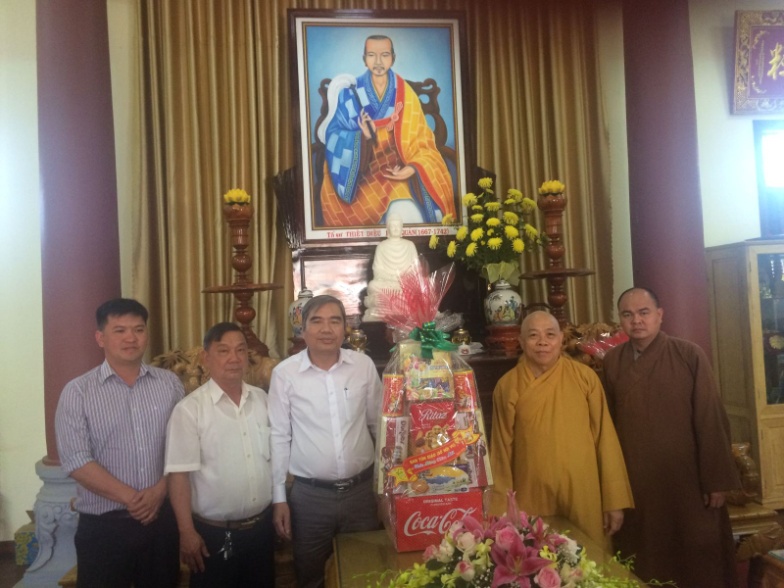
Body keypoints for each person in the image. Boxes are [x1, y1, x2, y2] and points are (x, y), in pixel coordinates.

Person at [601, 287, 740, 587]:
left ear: (660, 315)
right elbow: (606, 426)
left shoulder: (688, 354)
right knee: (644, 555)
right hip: (635, 482)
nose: (636, 320)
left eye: (644, 312)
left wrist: (715, 480)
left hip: (687, 482)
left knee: (696, 556)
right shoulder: (611, 362)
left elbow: (710, 417)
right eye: (627, 314)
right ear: (620, 320)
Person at [55, 298, 183, 587]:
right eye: (120, 330)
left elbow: (184, 448)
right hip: (104, 527)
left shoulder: (170, 384)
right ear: (100, 337)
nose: (131, 338)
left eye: (138, 329)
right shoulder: (77, 392)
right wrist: (132, 498)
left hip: (161, 521)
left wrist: (160, 490)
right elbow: (76, 460)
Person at [489, 310, 633, 551]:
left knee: (589, 567)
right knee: (539, 567)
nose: (543, 342)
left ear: (561, 340)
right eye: (533, 335)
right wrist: (501, 510)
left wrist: (613, 501)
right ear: (521, 342)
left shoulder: (585, 378)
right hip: (530, 496)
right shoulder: (507, 386)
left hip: (583, 495)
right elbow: (501, 452)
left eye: (550, 335)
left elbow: (605, 440)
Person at [269, 295, 382, 588]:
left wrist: (386, 487)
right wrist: (279, 498)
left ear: (346, 328)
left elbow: (379, 426)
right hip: (310, 498)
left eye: (335, 320)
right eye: (316, 321)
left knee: (366, 573)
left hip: (361, 494)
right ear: (302, 330)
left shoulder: (363, 366)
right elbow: (279, 437)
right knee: (310, 577)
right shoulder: (285, 374)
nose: (326, 329)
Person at [164, 322, 275, 587]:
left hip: (261, 530)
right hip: (213, 535)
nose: (234, 358)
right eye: (223, 351)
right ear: (206, 357)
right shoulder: (190, 410)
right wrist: (186, 531)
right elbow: (178, 476)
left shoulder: (263, 400)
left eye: (240, 350)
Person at [316, 34, 455, 227]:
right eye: (372, 55)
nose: (379, 61)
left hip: (395, 174)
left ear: (393, 58)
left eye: (385, 55)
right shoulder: (349, 94)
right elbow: (334, 136)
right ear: (364, 59)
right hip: (359, 179)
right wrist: (361, 137)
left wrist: (412, 168)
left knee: (409, 218)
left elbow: (423, 143)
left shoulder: (405, 93)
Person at [363, 212, 419, 321]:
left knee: (421, 286)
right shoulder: (382, 246)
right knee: (373, 285)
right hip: (388, 283)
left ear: (402, 229)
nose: (395, 228)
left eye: (398, 226)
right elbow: (377, 271)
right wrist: (392, 278)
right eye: (392, 226)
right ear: (387, 230)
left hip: (406, 285)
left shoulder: (409, 245)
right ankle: (402, 304)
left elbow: (416, 269)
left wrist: (404, 279)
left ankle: (391, 303)